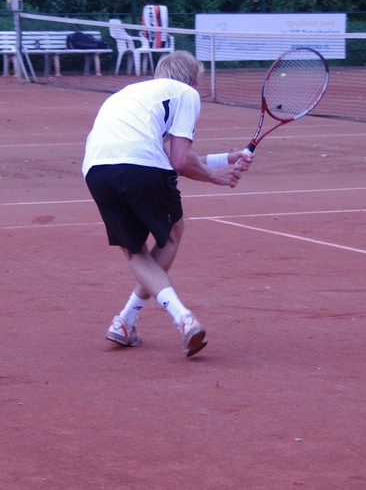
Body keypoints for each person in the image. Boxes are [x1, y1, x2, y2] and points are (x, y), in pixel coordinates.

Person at [82, 50, 253, 357]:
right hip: (139, 166)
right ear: (194, 79)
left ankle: (126, 321)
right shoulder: (186, 93)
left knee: (135, 251)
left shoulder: (132, 95)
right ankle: (183, 317)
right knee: (173, 233)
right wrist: (217, 178)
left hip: (96, 169)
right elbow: (180, 161)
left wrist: (225, 159)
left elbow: (163, 154)